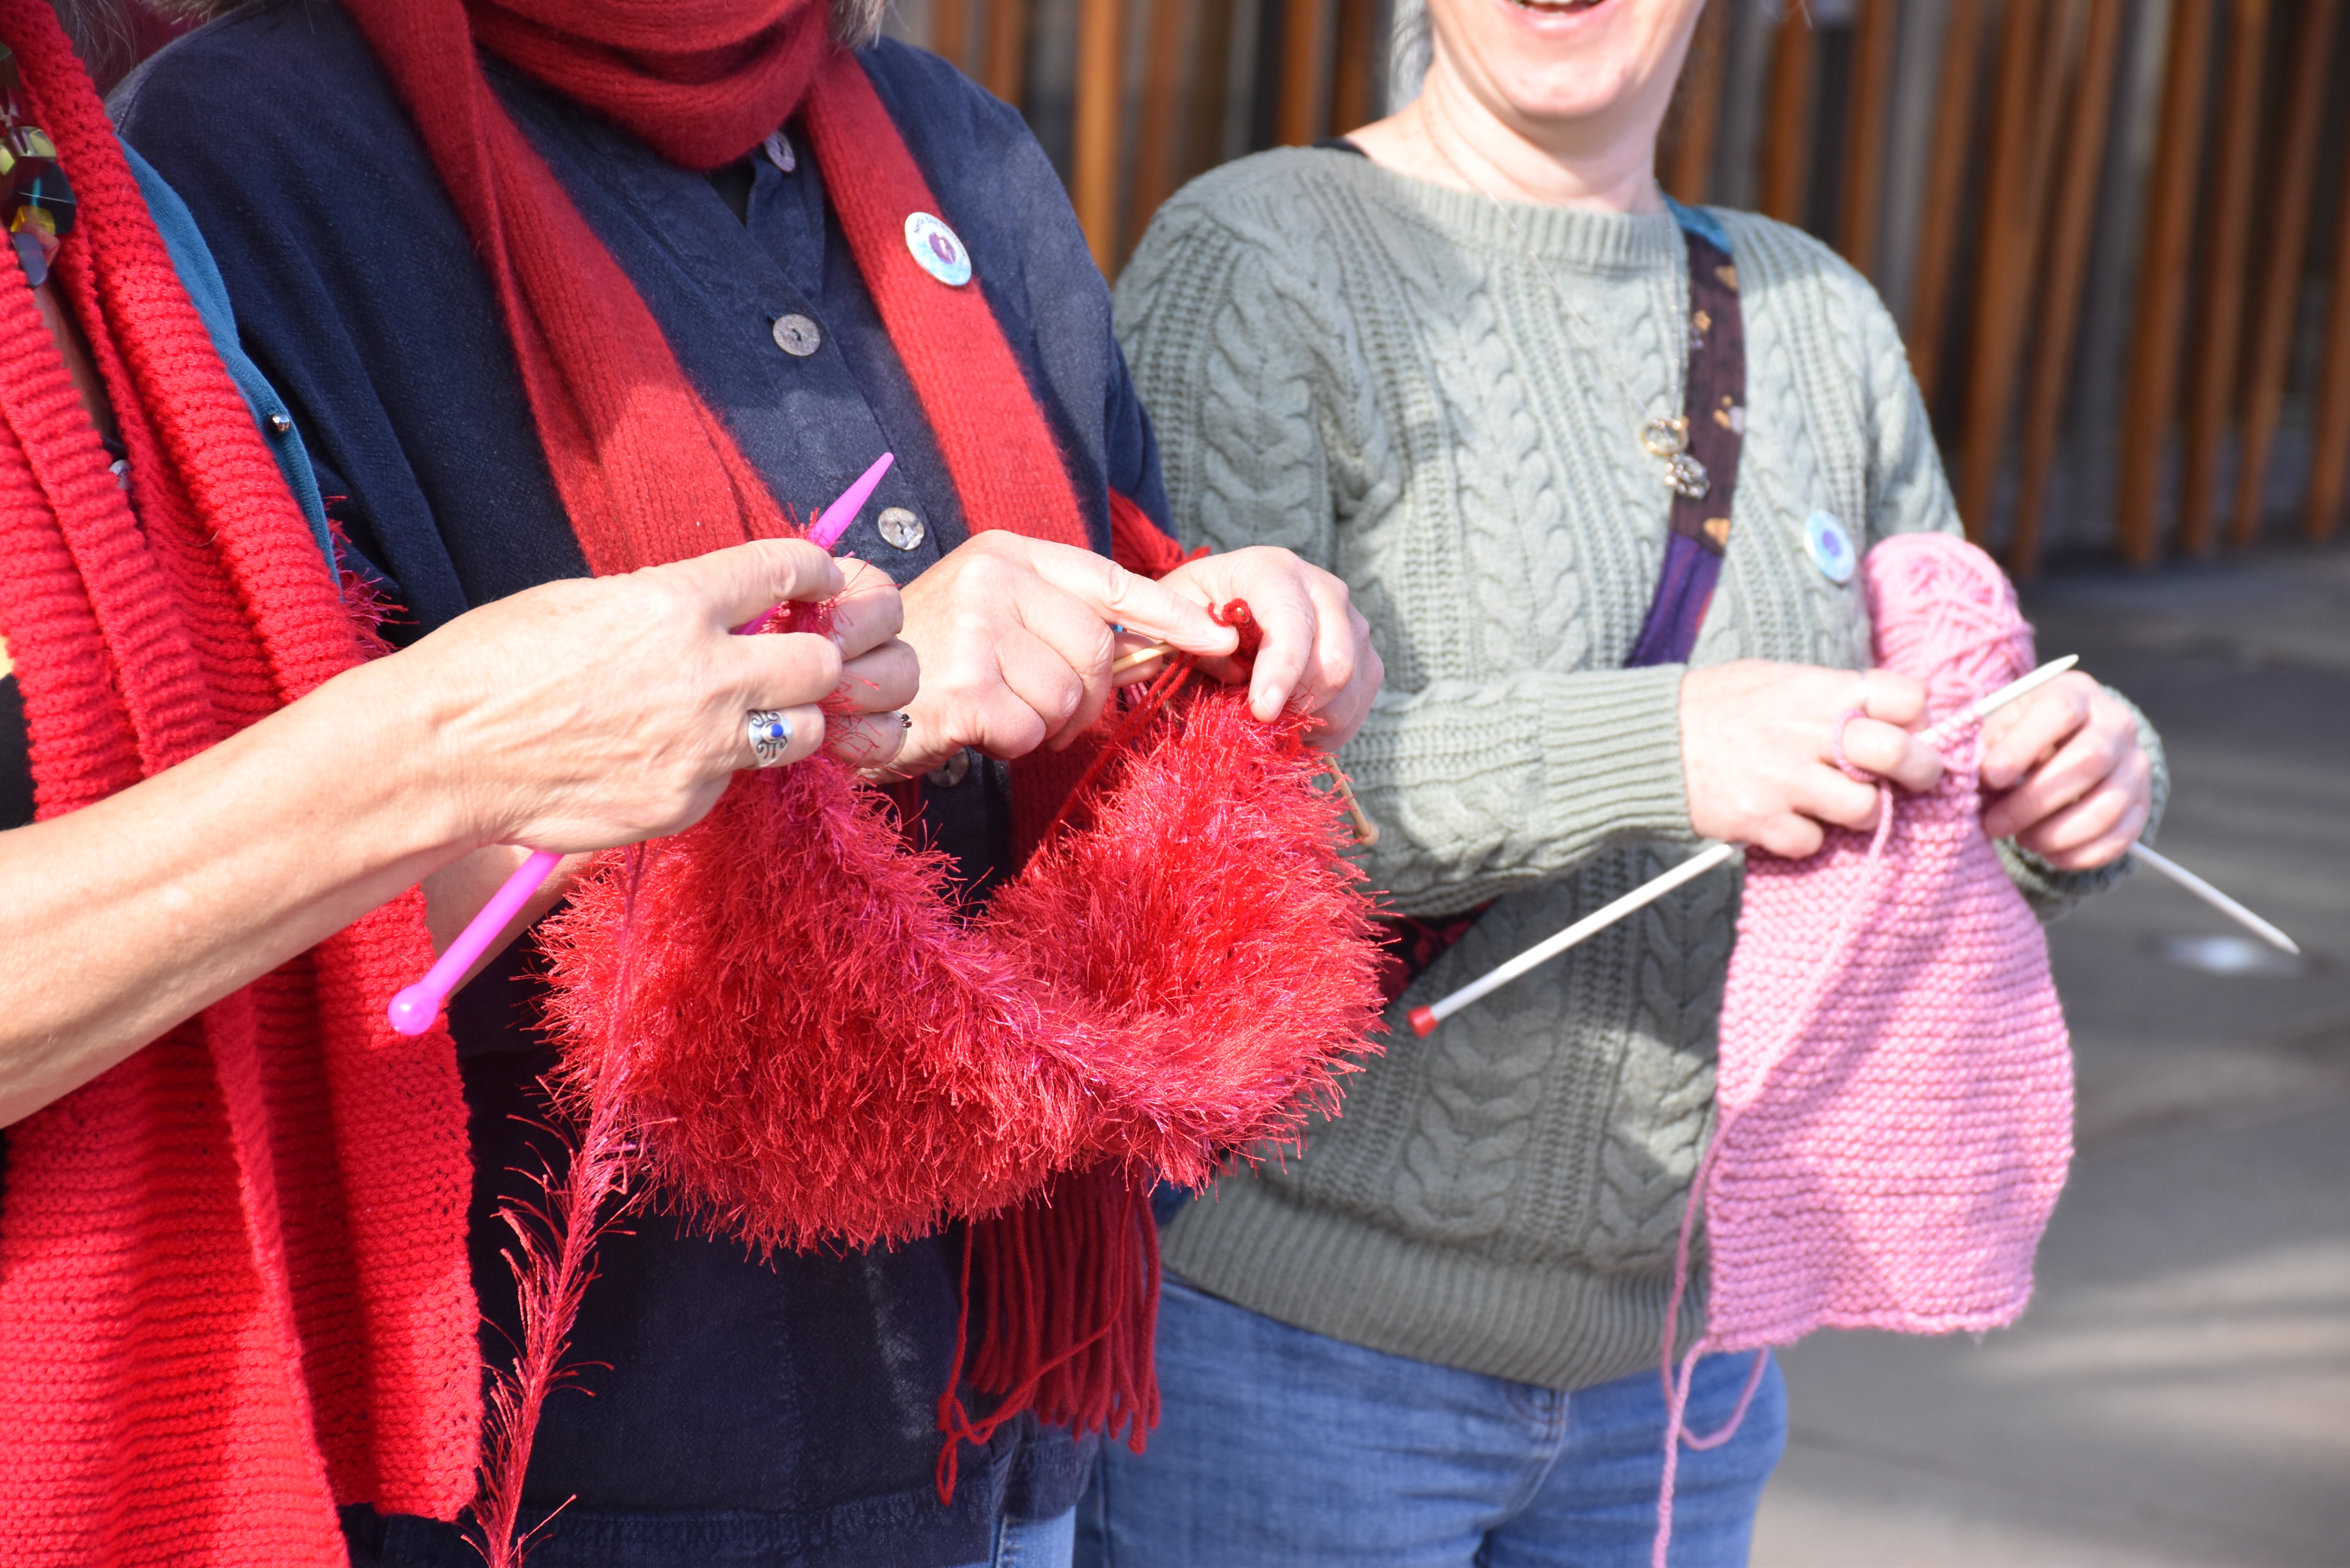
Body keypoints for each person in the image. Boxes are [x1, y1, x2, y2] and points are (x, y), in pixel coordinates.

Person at [102, 2, 1381, 1566]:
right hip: (531, 1451)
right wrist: (843, 686)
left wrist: (1200, 641)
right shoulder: (242, 148)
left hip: (980, 1424)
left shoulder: (952, 137)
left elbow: (1093, 583)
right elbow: (231, 879)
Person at [1088, 0, 2165, 1561]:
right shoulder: (1258, 256)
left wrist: (2068, 792)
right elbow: (1177, 818)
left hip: (1685, 1381)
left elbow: (1941, 776)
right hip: (1290, 1358)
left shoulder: (1818, 317)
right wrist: (1659, 745)